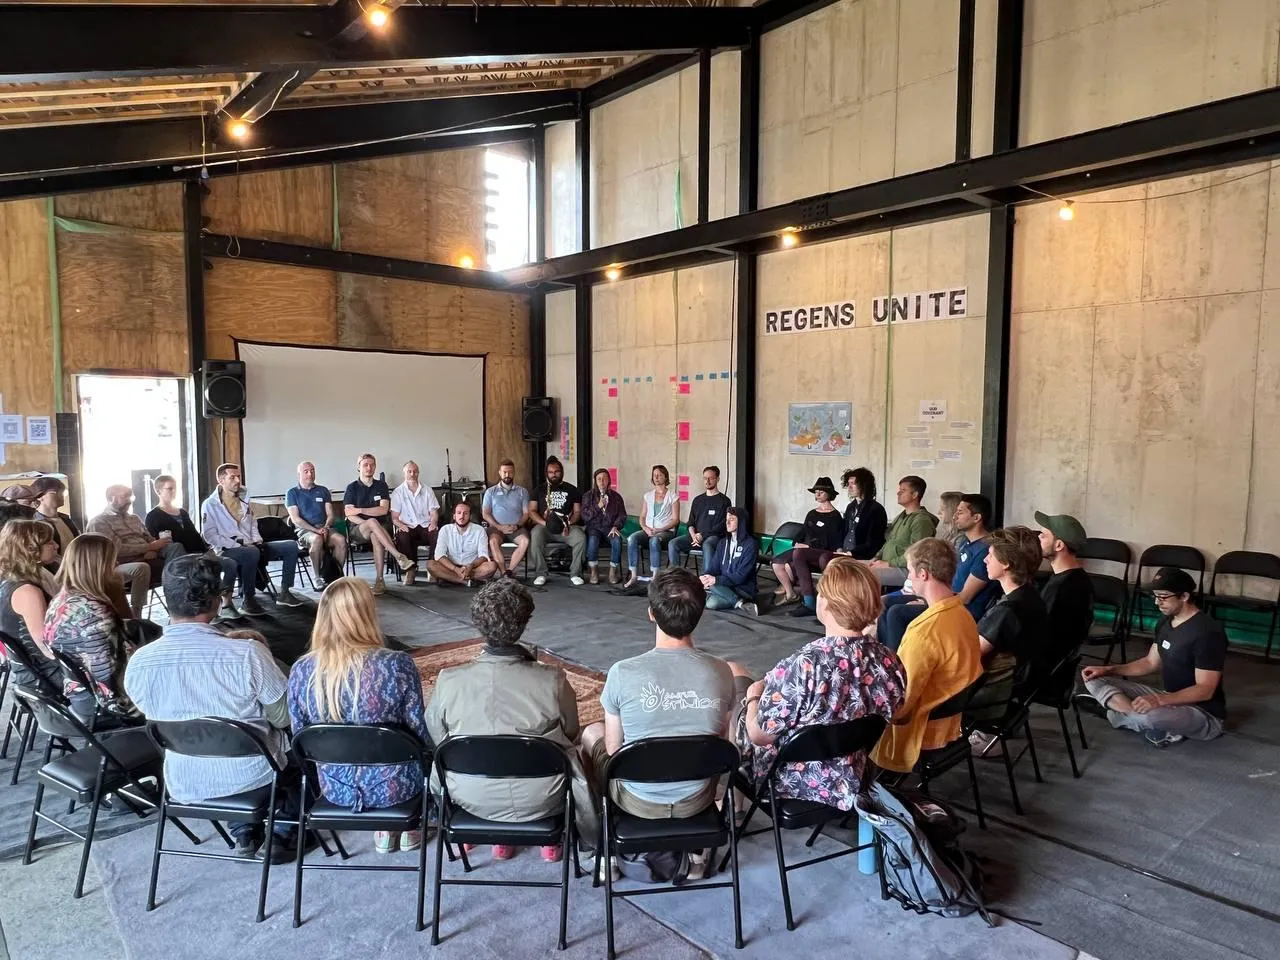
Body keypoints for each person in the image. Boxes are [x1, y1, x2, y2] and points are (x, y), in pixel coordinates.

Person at [124, 554, 297, 859]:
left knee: (226, 740)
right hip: (255, 776)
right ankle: (283, 833)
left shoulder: (139, 662)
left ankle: (243, 831)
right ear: (216, 601)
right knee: (303, 747)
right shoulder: (247, 654)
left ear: (168, 600)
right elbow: (284, 717)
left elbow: (151, 714)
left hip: (185, 779)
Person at [427, 577, 599, 862]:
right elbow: (570, 733)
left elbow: (438, 736)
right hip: (542, 796)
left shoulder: (448, 681)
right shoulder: (552, 679)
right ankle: (549, 840)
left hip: (470, 795)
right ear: (524, 623)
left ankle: (493, 836)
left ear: (478, 623)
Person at [737, 559, 906, 808]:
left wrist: (753, 696)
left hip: (789, 784)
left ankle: (732, 806)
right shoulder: (888, 660)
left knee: (740, 701)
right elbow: (898, 714)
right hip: (852, 779)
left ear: (825, 603)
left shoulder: (806, 666)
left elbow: (759, 736)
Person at [582, 567, 741, 824]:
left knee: (592, 733)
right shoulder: (722, 671)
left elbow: (613, 749)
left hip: (637, 800)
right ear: (701, 613)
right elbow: (722, 740)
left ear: (651, 614)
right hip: (697, 798)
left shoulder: (622, 672)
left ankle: (600, 822)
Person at [288, 577, 431, 853]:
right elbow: (419, 733)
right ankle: (405, 827)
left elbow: (300, 736)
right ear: (367, 614)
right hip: (396, 787)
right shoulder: (396, 664)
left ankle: (385, 830)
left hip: (335, 788)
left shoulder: (301, 670)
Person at [1076, 567, 1227, 746]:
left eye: (1163, 597)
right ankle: (1131, 715)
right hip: (1169, 698)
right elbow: (1150, 662)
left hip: (1202, 713)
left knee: (1153, 715)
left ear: (1185, 596)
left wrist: (1158, 700)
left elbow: (1205, 689)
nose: (1157, 602)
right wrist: (1109, 670)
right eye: (1154, 596)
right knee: (1093, 679)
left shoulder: (1207, 632)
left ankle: (1116, 712)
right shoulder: (1165, 621)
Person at [870, 538, 983, 775]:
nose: (909, 577)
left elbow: (901, 705)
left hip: (920, 732)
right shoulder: (964, 616)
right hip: (951, 723)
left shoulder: (925, 631)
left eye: (910, 571)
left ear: (923, 574)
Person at [875, 493, 998, 651]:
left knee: (897, 613)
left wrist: (929, 603)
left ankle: (895, 662)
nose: (954, 516)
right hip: (944, 600)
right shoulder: (964, 543)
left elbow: (965, 597)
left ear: (976, 518)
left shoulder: (984, 551)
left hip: (960, 609)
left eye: (960, 512)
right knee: (885, 603)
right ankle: (885, 654)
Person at [44, 534, 142, 726]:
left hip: (79, 695)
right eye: (112, 561)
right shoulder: (95, 614)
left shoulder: (62, 600)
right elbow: (110, 680)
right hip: (103, 705)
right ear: (100, 566)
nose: (117, 565)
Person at [966, 527, 1049, 735]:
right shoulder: (1031, 595)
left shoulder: (1007, 610)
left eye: (990, 555)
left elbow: (968, 657)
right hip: (1016, 687)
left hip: (989, 695)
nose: (985, 560)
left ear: (1006, 564)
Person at [200, 462, 303, 614]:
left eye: (238, 476)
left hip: (252, 545)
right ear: (221, 481)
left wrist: (257, 540)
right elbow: (209, 535)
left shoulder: (244, 498)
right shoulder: (210, 504)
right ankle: (248, 599)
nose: (237, 481)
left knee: (291, 546)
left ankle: (285, 592)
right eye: (232, 477)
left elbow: (253, 523)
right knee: (251, 552)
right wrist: (238, 545)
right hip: (227, 549)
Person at [147, 474, 245, 622]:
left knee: (229, 563)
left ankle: (226, 604)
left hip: (199, 554)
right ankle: (203, 608)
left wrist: (207, 549)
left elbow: (194, 535)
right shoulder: (153, 516)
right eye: (169, 489)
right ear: (159, 491)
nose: (173, 492)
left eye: (175, 488)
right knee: (202, 569)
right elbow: (158, 543)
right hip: (181, 558)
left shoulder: (182, 512)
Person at [87, 484, 186, 618]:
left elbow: (148, 538)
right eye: (124, 497)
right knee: (142, 567)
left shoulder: (134, 518)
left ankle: (178, 596)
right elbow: (115, 549)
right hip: (122, 563)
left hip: (147, 554)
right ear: (111, 498)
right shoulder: (99, 522)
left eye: (130, 497)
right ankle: (136, 614)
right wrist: (148, 548)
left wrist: (154, 548)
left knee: (176, 547)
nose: (129, 500)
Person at [0, 519, 61, 691]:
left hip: (33, 671)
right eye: (49, 542)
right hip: (44, 675)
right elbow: (45, 645)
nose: (56, 545)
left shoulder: (9, 581)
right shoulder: (27, 592)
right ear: (30, 548)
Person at [343, 453, 416, 596]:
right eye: (365, 465)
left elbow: (383, 510)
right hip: (358, 529)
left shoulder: (381, 486)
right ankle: (398, 556)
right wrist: (368, 522)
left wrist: (360, 510)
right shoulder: (352, 487)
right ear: (359, 467)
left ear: (375, 467)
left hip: (380, 529)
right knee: (372, 523)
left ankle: (380, 580)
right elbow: (349, 514)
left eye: (372, 465)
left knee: (376, 535)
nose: (369, 468)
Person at [771, 476, 845, 609]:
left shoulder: (835, 516)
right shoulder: (812, 513)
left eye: (821, 492)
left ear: (829, 494)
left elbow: (832, 541)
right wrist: (796, 542)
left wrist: (809, 546)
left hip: (820, 551)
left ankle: (803, 596)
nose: (817, 494)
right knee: (777, 563)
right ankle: (790, 592)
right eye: (816, 492)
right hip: (803, 548)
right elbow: (803, 531)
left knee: (793, 561)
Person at [1035, 511, 1094, 667]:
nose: (1038, 537)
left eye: (1043, 535)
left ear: (1059, 545)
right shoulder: (1077, 578)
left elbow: (1041, 635)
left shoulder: (1062, 586)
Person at [866, 476, 938, 589]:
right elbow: (889, 542)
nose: (898, 493)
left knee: (863, 575)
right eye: (899, 490)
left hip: (906, 569)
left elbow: (917, 553)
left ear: (915, 495)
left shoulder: (922, 521)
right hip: (888, 564)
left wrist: (889, 564)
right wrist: (877, 557)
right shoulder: (901, 517)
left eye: (903, 490)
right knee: (850, 567)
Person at [285, 461, 347, 588]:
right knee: (317, 539)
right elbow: (295, 519)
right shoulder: (292, 493)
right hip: (305, 530)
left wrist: (326, 527)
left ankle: (335, 575)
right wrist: (315, 530)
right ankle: (317, 577)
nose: (310, 474)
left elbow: (330, 514)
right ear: (299, 474)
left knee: (341, 540)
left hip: (324, 527)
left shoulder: (323, 490)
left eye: (312, 470)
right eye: (306, 471)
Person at [528, 456, 587, 587]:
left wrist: (568, 523)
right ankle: (541, 573)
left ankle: (575, 573)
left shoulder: (571, 489)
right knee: (535, 534)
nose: (554, 475)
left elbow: (577, 511)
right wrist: (545, 523)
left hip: (566, 527)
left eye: (557, 472)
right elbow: (531, 511)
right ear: (546, 473)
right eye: (550, 472)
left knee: (580, 538)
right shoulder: (539, 489)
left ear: (562, 472)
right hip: (545, 526)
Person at [624, 465, 681, 588]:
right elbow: (642, 516)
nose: (656, 477)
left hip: (665, 531)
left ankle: (655, 576)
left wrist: (660, 529)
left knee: (654, 540)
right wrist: (645, 528)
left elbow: (676, 520)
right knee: (632, 539)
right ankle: (633, 575)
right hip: (649, 530)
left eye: (659, 475)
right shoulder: (648, 496)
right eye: (654, 475)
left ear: (665, 477)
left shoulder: (673, 496)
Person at [667, 466, 731, 570]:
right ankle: (676, 576)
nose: (707, 481)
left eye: (711, 478)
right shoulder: (698, 500)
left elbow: (722, 525)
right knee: (673, 543)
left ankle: (706, 578)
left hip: (713, 537)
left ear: (717, 479)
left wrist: (702, 535)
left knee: (708, 544)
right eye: (705, 478)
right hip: (695, 537)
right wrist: (694, 536)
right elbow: (691, 522)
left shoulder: (724, 501)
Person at [701, 507, 759, 615]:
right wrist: (705, 576)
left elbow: (740, 576)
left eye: (731, 519)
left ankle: (736, 599)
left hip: (743, 588)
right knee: (711, 603)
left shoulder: (751, 544)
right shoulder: (723, 543)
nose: (727, 522)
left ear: (741, 522)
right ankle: (740, 603)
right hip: (726, 586)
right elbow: (713, 567)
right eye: (727, 519)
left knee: (713, 587)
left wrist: (716, 580)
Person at [389, 460, 439, 586]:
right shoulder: (398, 492)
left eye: (415, 471)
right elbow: (394, 518)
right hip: (407, 525)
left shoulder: (427, 490)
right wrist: (401, 525)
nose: (412, 474)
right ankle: (410, 570)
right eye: (409, 471)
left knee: (436, 533)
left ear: (418, 473)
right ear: (404, 473)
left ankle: (432, 568)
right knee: (402, 535)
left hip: (425, 524)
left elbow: (433, 512)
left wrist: (433, 522)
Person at [425, 502, 498, 586]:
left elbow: (483, 556)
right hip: (450, 566)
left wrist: (470, 566)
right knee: (431, 565)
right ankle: (465, 581)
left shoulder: (479, 530)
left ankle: (450, 578)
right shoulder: (445, 529)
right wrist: (456, 569)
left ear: (470, 516)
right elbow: (439, 555)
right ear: (454, 516)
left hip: (472, 568)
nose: (462, 516)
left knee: (492, 566)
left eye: (465, 513)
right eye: (459, 513)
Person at [482, 459, 531, 579]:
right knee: (493, 541)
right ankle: (503, 571)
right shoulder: (490, 492)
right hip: (496, 528)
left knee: (525, 541)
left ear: (514, 472)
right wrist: (498, 526)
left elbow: (526, 513)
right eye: (504, 472)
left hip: (516, 528)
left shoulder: (523, 492)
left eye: (510, 472)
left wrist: (517, 525)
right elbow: (485, 514)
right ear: (500, 472)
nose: (507, 475)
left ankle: (509, 571)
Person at [581, 468, 627, 585]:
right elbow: (585, 516)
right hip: (594, 528)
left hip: (610, 528)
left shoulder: (616, 497)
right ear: (595, 481)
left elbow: (622, 515)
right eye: (599, 479)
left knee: (617, 540)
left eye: (604, 479)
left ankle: (613, 571)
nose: (602, 482)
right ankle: (594, 571)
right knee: (592, 541)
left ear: (609, 481)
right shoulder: (588, 496)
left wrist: (616, 526)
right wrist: (598, 506)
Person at [838, 467, 887, 560]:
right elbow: (845, 531)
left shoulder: (876, 509)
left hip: (861, 556)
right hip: (845, 553)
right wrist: (839, 548)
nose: (849, 487)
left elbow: (874, 542)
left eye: (853, 483)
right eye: (848, 483)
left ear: (863, 485)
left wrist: (852, 553)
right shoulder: (850, 507)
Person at [30, 477, 81, 554]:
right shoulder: (36, 523)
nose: (61, 495)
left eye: (62, 492)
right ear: (39, 497)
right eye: (55, 492)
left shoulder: (66, 519)